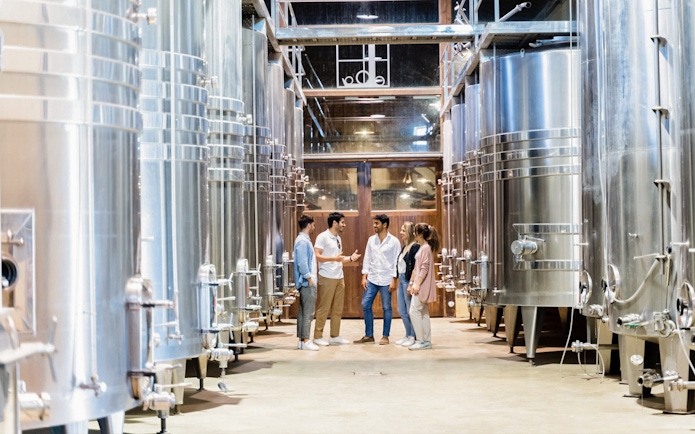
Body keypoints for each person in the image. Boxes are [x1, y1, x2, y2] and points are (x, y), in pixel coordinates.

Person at [313, 212, 361, 346]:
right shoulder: (322, 237)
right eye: (342, 222)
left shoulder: (338, 238)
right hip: (327, 276)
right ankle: (317, 336)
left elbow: (339, 259)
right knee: (324, 307)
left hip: (339, 276)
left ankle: (334, 335)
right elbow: (317, 256)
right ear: (334, 223)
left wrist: (350, 258)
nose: (344, 225)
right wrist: (333, 259)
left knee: (338, 308)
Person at [354, 214, 401, 345]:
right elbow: (367, 258)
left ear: (384, 225)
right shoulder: (371, 240)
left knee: (387, 307)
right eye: (374, 223)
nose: (374, 226)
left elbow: (397, 262)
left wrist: (394, 280)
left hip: (387, 279)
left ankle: (385, 336)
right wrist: (364, 276)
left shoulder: (394, 241)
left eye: (376, 223)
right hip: (373, 278)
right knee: (365, 304)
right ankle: (369, 335)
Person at [408, 223, 440, 350]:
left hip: (421, 285)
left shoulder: (425, 248)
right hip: (418, 284)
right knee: (423, 312)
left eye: (416, 232)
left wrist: (417, 284)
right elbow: (417, 268)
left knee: (414, 311)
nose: (414, 234)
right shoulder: (423, 247)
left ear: (420, 234)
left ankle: (421, 340)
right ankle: (426, 340)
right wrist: (412, 282)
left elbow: (424, 268)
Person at [293, 214, 319, 351]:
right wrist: (309, 278)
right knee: (308, 312)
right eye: (313, 225)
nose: (314, 228)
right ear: (309, 225)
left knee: (303, 312)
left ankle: (302, 340)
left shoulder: (302, 240)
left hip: (305, 281)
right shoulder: (303, 241)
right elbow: (302, 262)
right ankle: (307, 340)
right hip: (307, 282)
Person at [395, 222, 420, 347]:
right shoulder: (404, 247)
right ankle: (407, 334)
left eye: (403, 230)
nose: (401, 233)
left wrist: (411, 283)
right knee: (401, 310)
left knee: (411, 310)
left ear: (409, 232)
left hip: (407, 280)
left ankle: (413, 335)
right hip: (401, 279)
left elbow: (415, 267)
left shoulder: (415, 247)